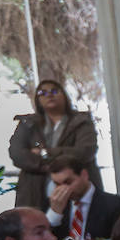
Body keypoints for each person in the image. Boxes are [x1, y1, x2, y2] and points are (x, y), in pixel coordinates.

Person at [7, 79, 104, 210]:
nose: (49, 95)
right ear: (37, 100)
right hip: (34, 194)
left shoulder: (82, 121)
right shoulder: (28, 123)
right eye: (43, 92)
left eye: (54, 91)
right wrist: (53, 165)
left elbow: (85, 152)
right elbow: (17, 154)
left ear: (64, 95)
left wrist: (44, 153)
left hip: (77, 192)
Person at [44, 154, 120, 240]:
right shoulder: (52, 203)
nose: (63, 189)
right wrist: (54, 214)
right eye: (57, 184)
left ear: (84, 175)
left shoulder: (114, 204)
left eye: (68, 182)